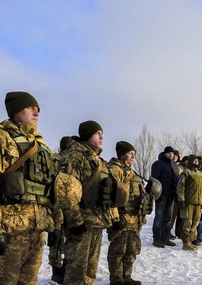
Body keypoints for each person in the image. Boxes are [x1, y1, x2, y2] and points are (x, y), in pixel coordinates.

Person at [0, 91, 68, 284]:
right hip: (7, 232)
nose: (36, 111)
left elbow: (51, 189)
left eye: (38, 109)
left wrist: (56, 225)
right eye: (30, 107)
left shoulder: (41, 147)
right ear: (16, 111)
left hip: (36, 232)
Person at [59, 121, 129, 285]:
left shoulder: (98, 161)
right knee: (76, 272)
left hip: (97, 220)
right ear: (87, 135)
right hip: (81, 223)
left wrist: (113, 217)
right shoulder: (75, 157)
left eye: (102, 132)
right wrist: (75, 221)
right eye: (97, 133)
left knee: (90, 272)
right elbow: (66, 191)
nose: (101, 136)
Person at [107, 141, 148, 285]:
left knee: (132, 250)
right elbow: (110, 196)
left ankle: (126, 276)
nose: (133, 156)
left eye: (134, 154)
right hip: (121, 218)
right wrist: (115, 218)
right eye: (131, 153)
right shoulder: (114, 170)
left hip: (134, 219)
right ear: (122, 153)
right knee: (118, 250)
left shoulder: (133, 173)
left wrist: (142, 216)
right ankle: (116, 279)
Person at [48, 135, 72, 284]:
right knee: (62, 240)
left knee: (57, 240)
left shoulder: (54, 159)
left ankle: (57, 270)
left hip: (56, 205)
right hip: (64, 206)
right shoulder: (64, 160)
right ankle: (59, 270)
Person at [150, 146, 178, 247]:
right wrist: (157, 194)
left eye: (173, 153)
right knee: (159, 217)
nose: (171, 155)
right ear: (165, 153)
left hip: (171, 195)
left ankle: (165, 238)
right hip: (162, 195)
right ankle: (157, 239)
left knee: (168, 218)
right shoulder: (158, 164)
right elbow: (154, 180)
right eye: (169, 153)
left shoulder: (174, 165)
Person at [176, 154, 202, 250]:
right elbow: (181, 187)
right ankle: (185, 242)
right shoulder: (186, 172)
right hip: (189, 201)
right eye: (194, 160)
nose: (196, 162)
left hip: (198, 202)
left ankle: (190, 240)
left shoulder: (200, 174)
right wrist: (181, 199)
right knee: (188, 222)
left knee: (195, 223)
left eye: (197, 161)